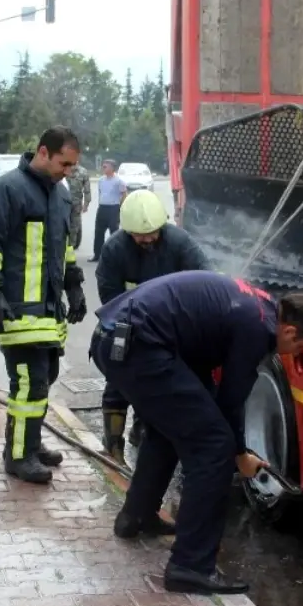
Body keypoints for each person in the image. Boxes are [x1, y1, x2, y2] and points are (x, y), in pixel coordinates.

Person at [90, 271, 303, 594]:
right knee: (214, 447)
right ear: (289, 331)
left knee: (174, 429)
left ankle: (136, 517)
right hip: (137, 346)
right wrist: (240, 454)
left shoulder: (259, 306)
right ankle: (190, 566)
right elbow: (232, 402)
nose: (294, 355)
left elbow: (213, 390)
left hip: (122, 337)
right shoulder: (257, 329)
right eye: (300, 347)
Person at [0, 126, 87, 485]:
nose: (68, 171)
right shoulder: (7, 190)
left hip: (49, 311)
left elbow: (64, 248)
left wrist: (75, 286)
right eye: (63, 163)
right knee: (29, 383)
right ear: (42, 152)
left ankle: (30, 444)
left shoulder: (61, 195)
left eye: (72, 166)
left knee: (44, 379)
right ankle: (19, 456)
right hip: (18, 308)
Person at [94, 189, 210, 464]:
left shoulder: (181, 243)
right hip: (125, 324)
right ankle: (113, 445)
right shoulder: (115, 250)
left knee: (158, 382)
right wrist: (132, 331)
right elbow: (110, 298)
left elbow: (203, 279)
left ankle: (143, 428)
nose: (147, 239)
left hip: (170, 327)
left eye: (152, 233)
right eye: (139, 235)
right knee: (118, 379)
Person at [90, 159, 127, 262]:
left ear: (112, 168)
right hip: (102, 207)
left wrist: (120, 207)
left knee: (114, 232)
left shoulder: (119, 181)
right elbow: (100, 192)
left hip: (113, 208)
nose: (103, 168)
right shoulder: (101, 180)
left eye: (105, 166)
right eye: (103, 166)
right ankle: (97, 254)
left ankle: (115, 255)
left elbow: (124, 194)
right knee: (98, 232)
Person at [64, 162, 90, 250]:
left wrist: (86, 203)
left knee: (75, 226)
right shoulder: (63, 169)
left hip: (76, 204)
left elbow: (87, 190)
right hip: (62, 203)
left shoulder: (83, 172)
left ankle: (71, 246)